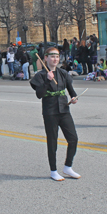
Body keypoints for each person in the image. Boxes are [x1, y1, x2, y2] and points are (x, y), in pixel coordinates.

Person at [30, 47, 80, 181]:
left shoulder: (63, 73)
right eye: (52, 56)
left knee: (73, 139)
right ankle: (53, 171)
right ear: (45, 58)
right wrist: (47, 80)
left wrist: (74, 97)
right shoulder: (40, 75)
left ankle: (68, 166)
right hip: (50, 111)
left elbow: (71, 90)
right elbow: (39, 95)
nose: (55, 59)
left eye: (57, 56)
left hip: (64, 110)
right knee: (52, 142)